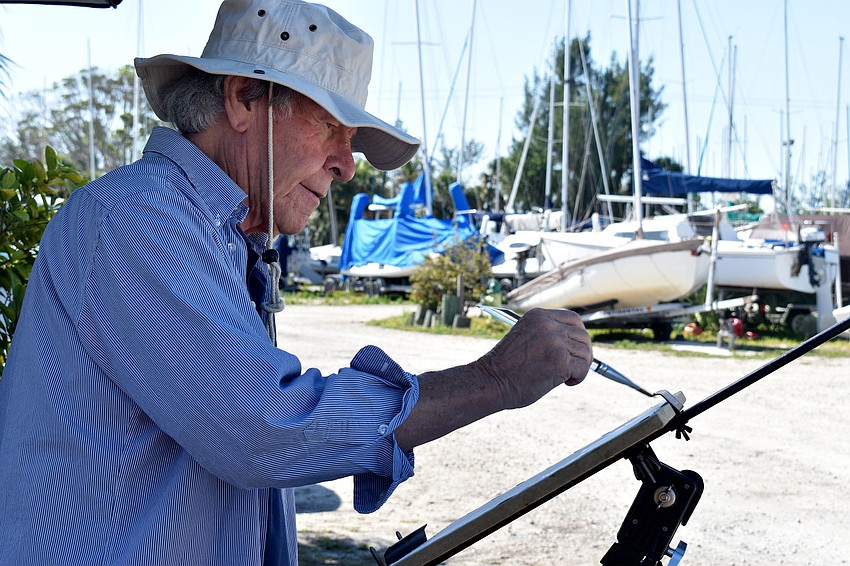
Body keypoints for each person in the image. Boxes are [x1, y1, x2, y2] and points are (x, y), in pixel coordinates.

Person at [0, 1, 593, 564]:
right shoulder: (137, 216)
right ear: (242, 99)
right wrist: (494, 379)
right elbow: (263, 427)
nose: (346, 163)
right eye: (332, 127)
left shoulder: (221, 238)